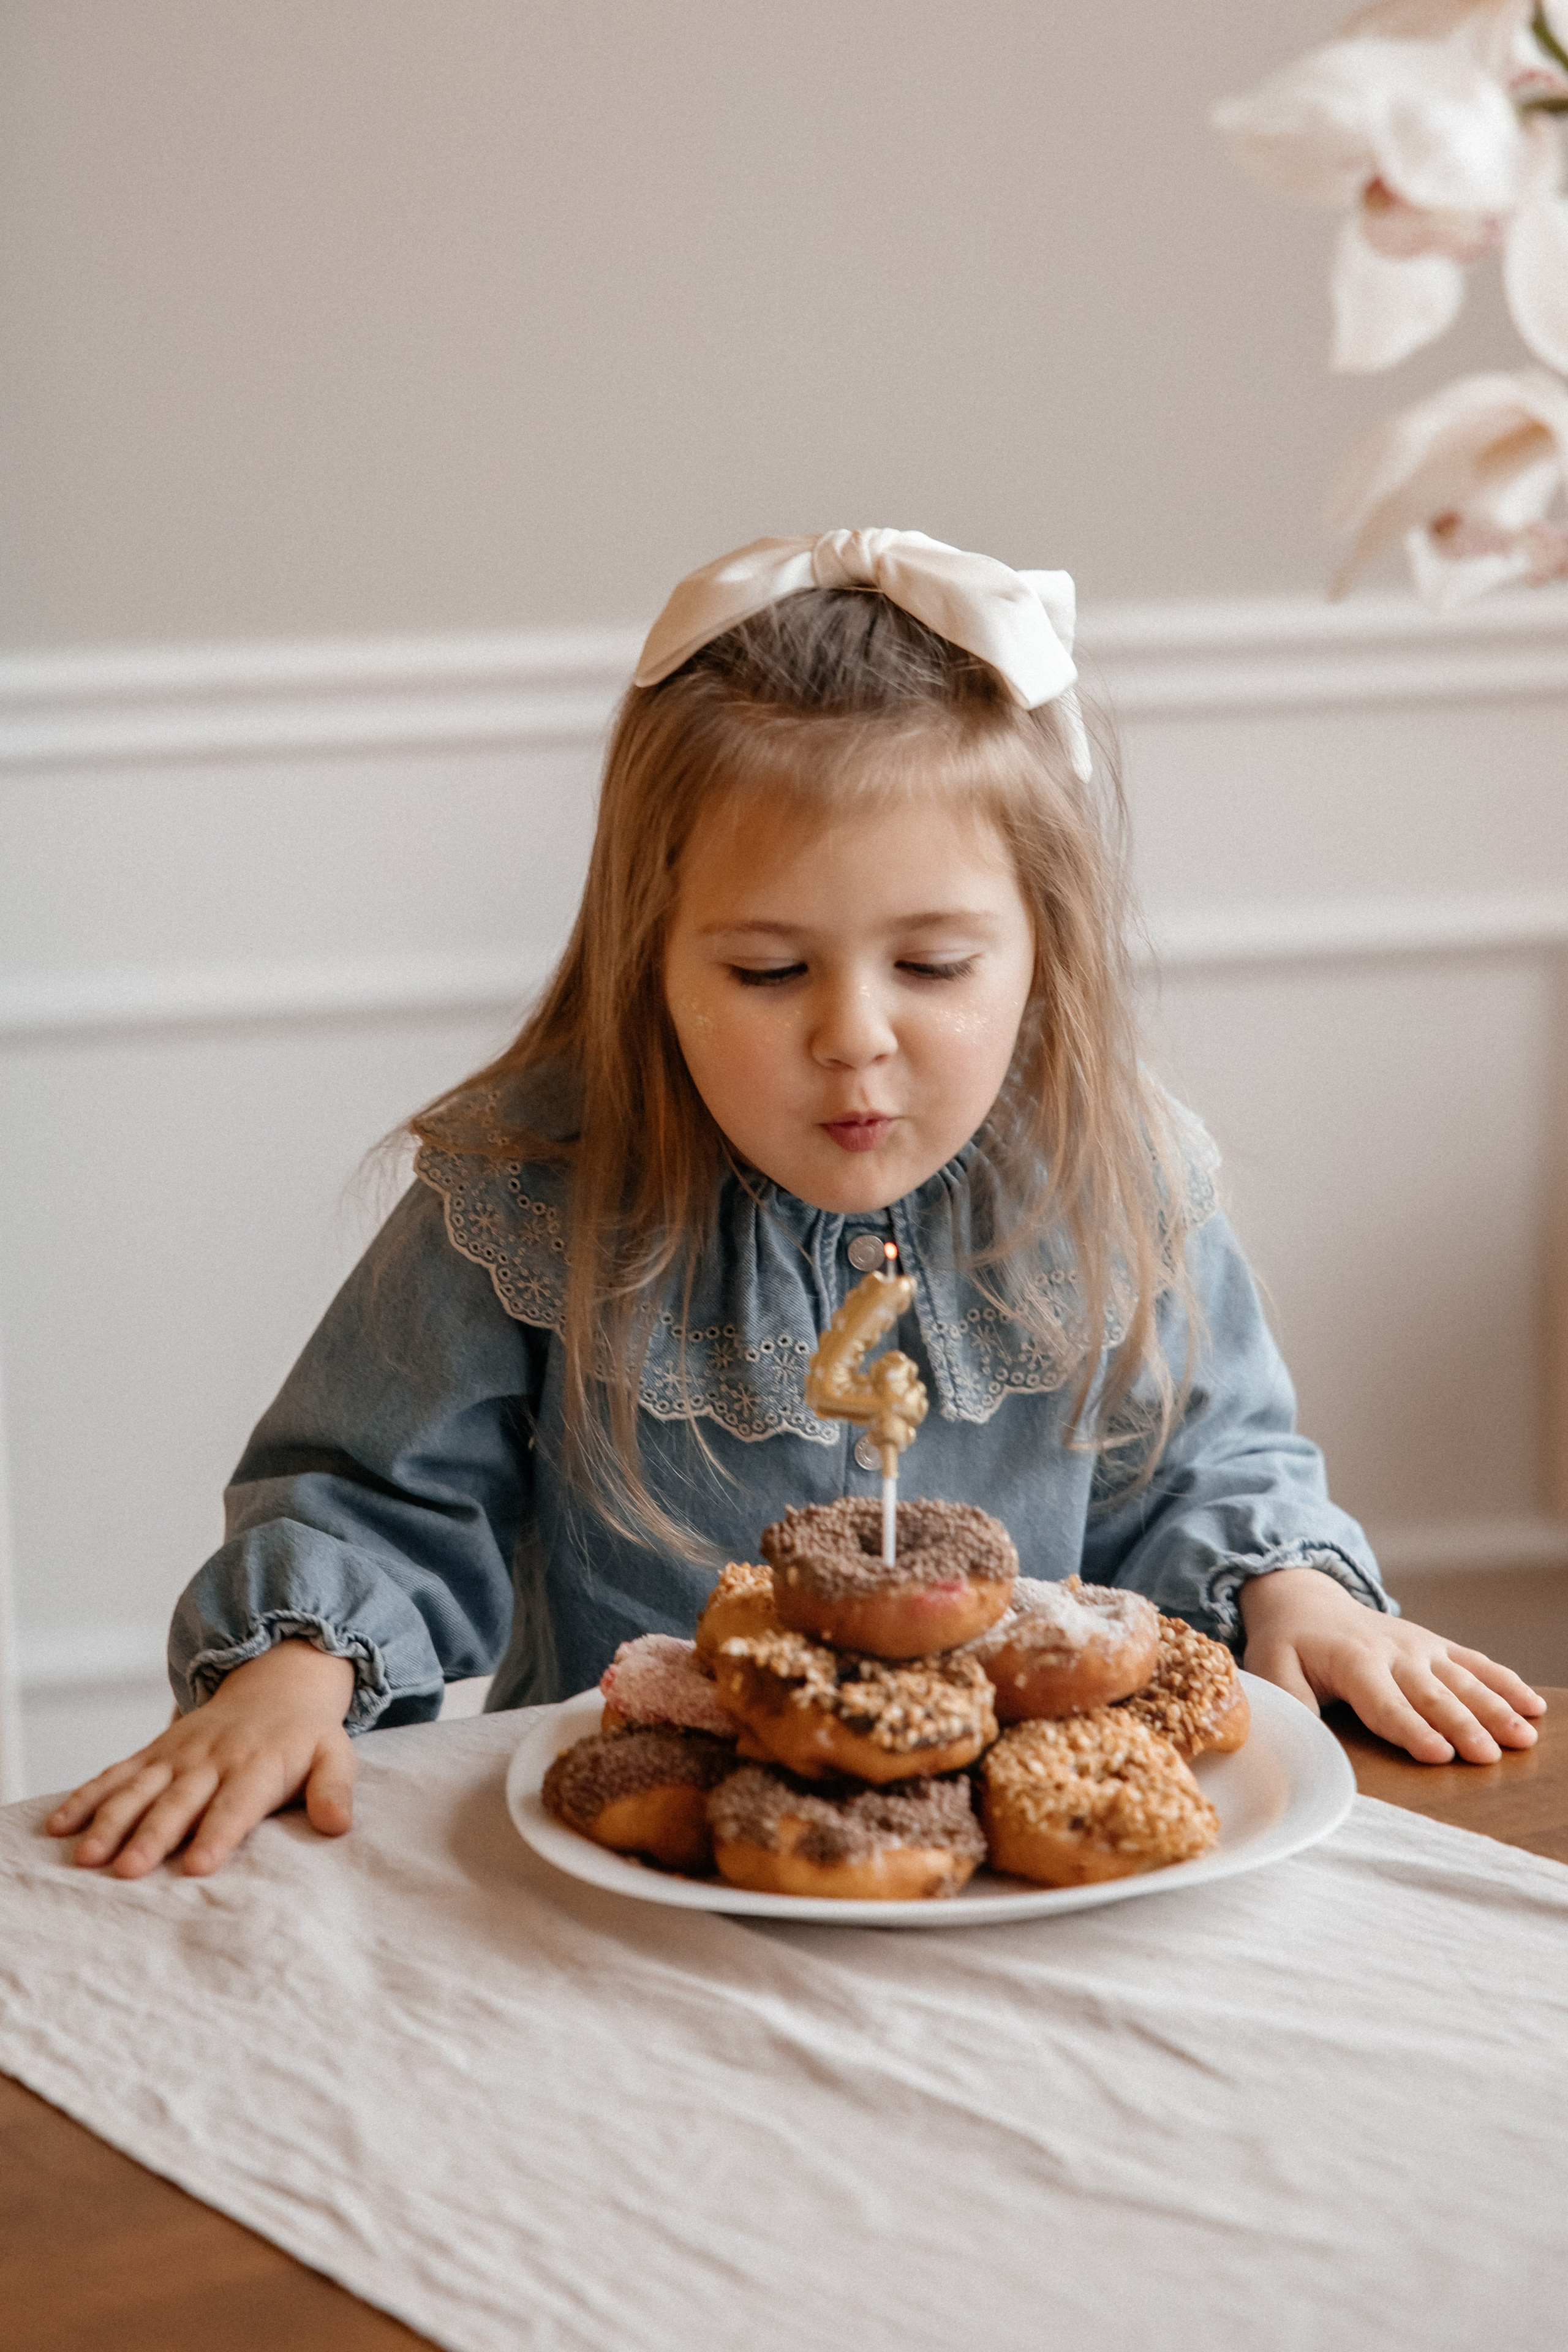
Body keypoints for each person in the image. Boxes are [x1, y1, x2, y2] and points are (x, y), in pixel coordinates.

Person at [48, 530, 1544, 1880]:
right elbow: (372, 1492)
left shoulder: (1119, 1177)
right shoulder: (535, 1192)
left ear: (1043, 949)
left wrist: (1293, 1589)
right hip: (637, 1879)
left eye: (935, 967)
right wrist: (294, 1670)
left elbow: (1204, 1463)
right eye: (766, 971)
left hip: (1003, 1884)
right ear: (651, 955)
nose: (852, 1036)